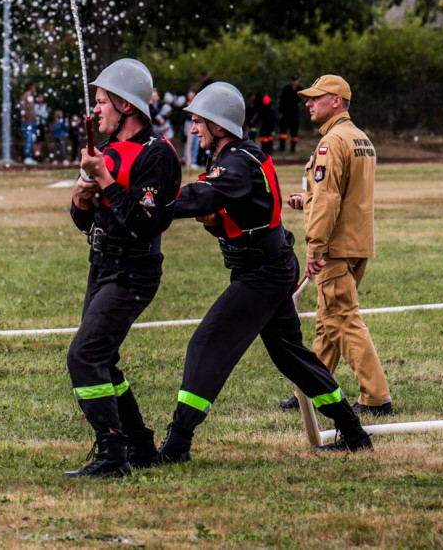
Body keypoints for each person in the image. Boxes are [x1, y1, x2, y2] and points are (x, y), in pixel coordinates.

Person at [154, 82, 372, 464]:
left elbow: (203, 197)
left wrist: (151, 202)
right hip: (264, 267)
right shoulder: (234, 155)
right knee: (291, 356)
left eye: (198, 122)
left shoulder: (236, 162)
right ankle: (353, 432)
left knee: (207, 344)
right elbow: (228, 213)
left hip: (263, 274)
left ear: (219, 125)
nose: (193, 130)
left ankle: (177, 444)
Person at [64, 58, 182, 478]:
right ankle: (139, 445)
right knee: (104, 360)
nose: (95, 110)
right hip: (102, 265)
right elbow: (85, 221)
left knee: (84, 356)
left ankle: (113, 453)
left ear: (125, 105)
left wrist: (108, 183)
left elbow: (146, 224)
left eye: (101, 102)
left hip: (133, 270)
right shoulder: (107, 150)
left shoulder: (158, 155)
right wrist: (81, 200)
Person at [280, 75, 393, 416]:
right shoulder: (360, 139)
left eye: (316, 98)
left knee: (342, 318)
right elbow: (338, 193)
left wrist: (315, 248)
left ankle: (376, 398)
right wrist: (308, 198)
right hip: (357, 243)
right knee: (328, 322)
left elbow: (329, 199)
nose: (308, 103)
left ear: (337, 102)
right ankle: (312, 391)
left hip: (335, 247)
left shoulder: (332, 143)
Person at [279, 75, 302, 152]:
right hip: (286, 113)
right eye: (293, 80)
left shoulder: (300, 90)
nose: (294, 82)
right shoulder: (286, 89)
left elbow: (300, 100)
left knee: (294, 131)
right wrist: (280, 112)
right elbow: (282, 101)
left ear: (298, 81)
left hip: (295, 114)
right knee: (283, 131)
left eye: (296, 80)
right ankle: (282, 147)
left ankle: (293, 147)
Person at [20, 82, 37, 164]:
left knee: (32, 139)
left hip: (32, 122)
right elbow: (23, 109)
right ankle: (27, 157)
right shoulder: (25, 97)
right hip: (28, 122)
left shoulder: (30, 97)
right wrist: (27, 119)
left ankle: (30, 156)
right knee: (28, 139)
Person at [183, 90, 200, 168]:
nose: (191, 97)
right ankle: (188, 161)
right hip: (188, 124)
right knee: (189, 143)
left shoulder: (198, 104)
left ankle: (194, 161)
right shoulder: (185, 105)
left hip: (196, 122)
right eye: (190, 95)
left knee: (196, 143)